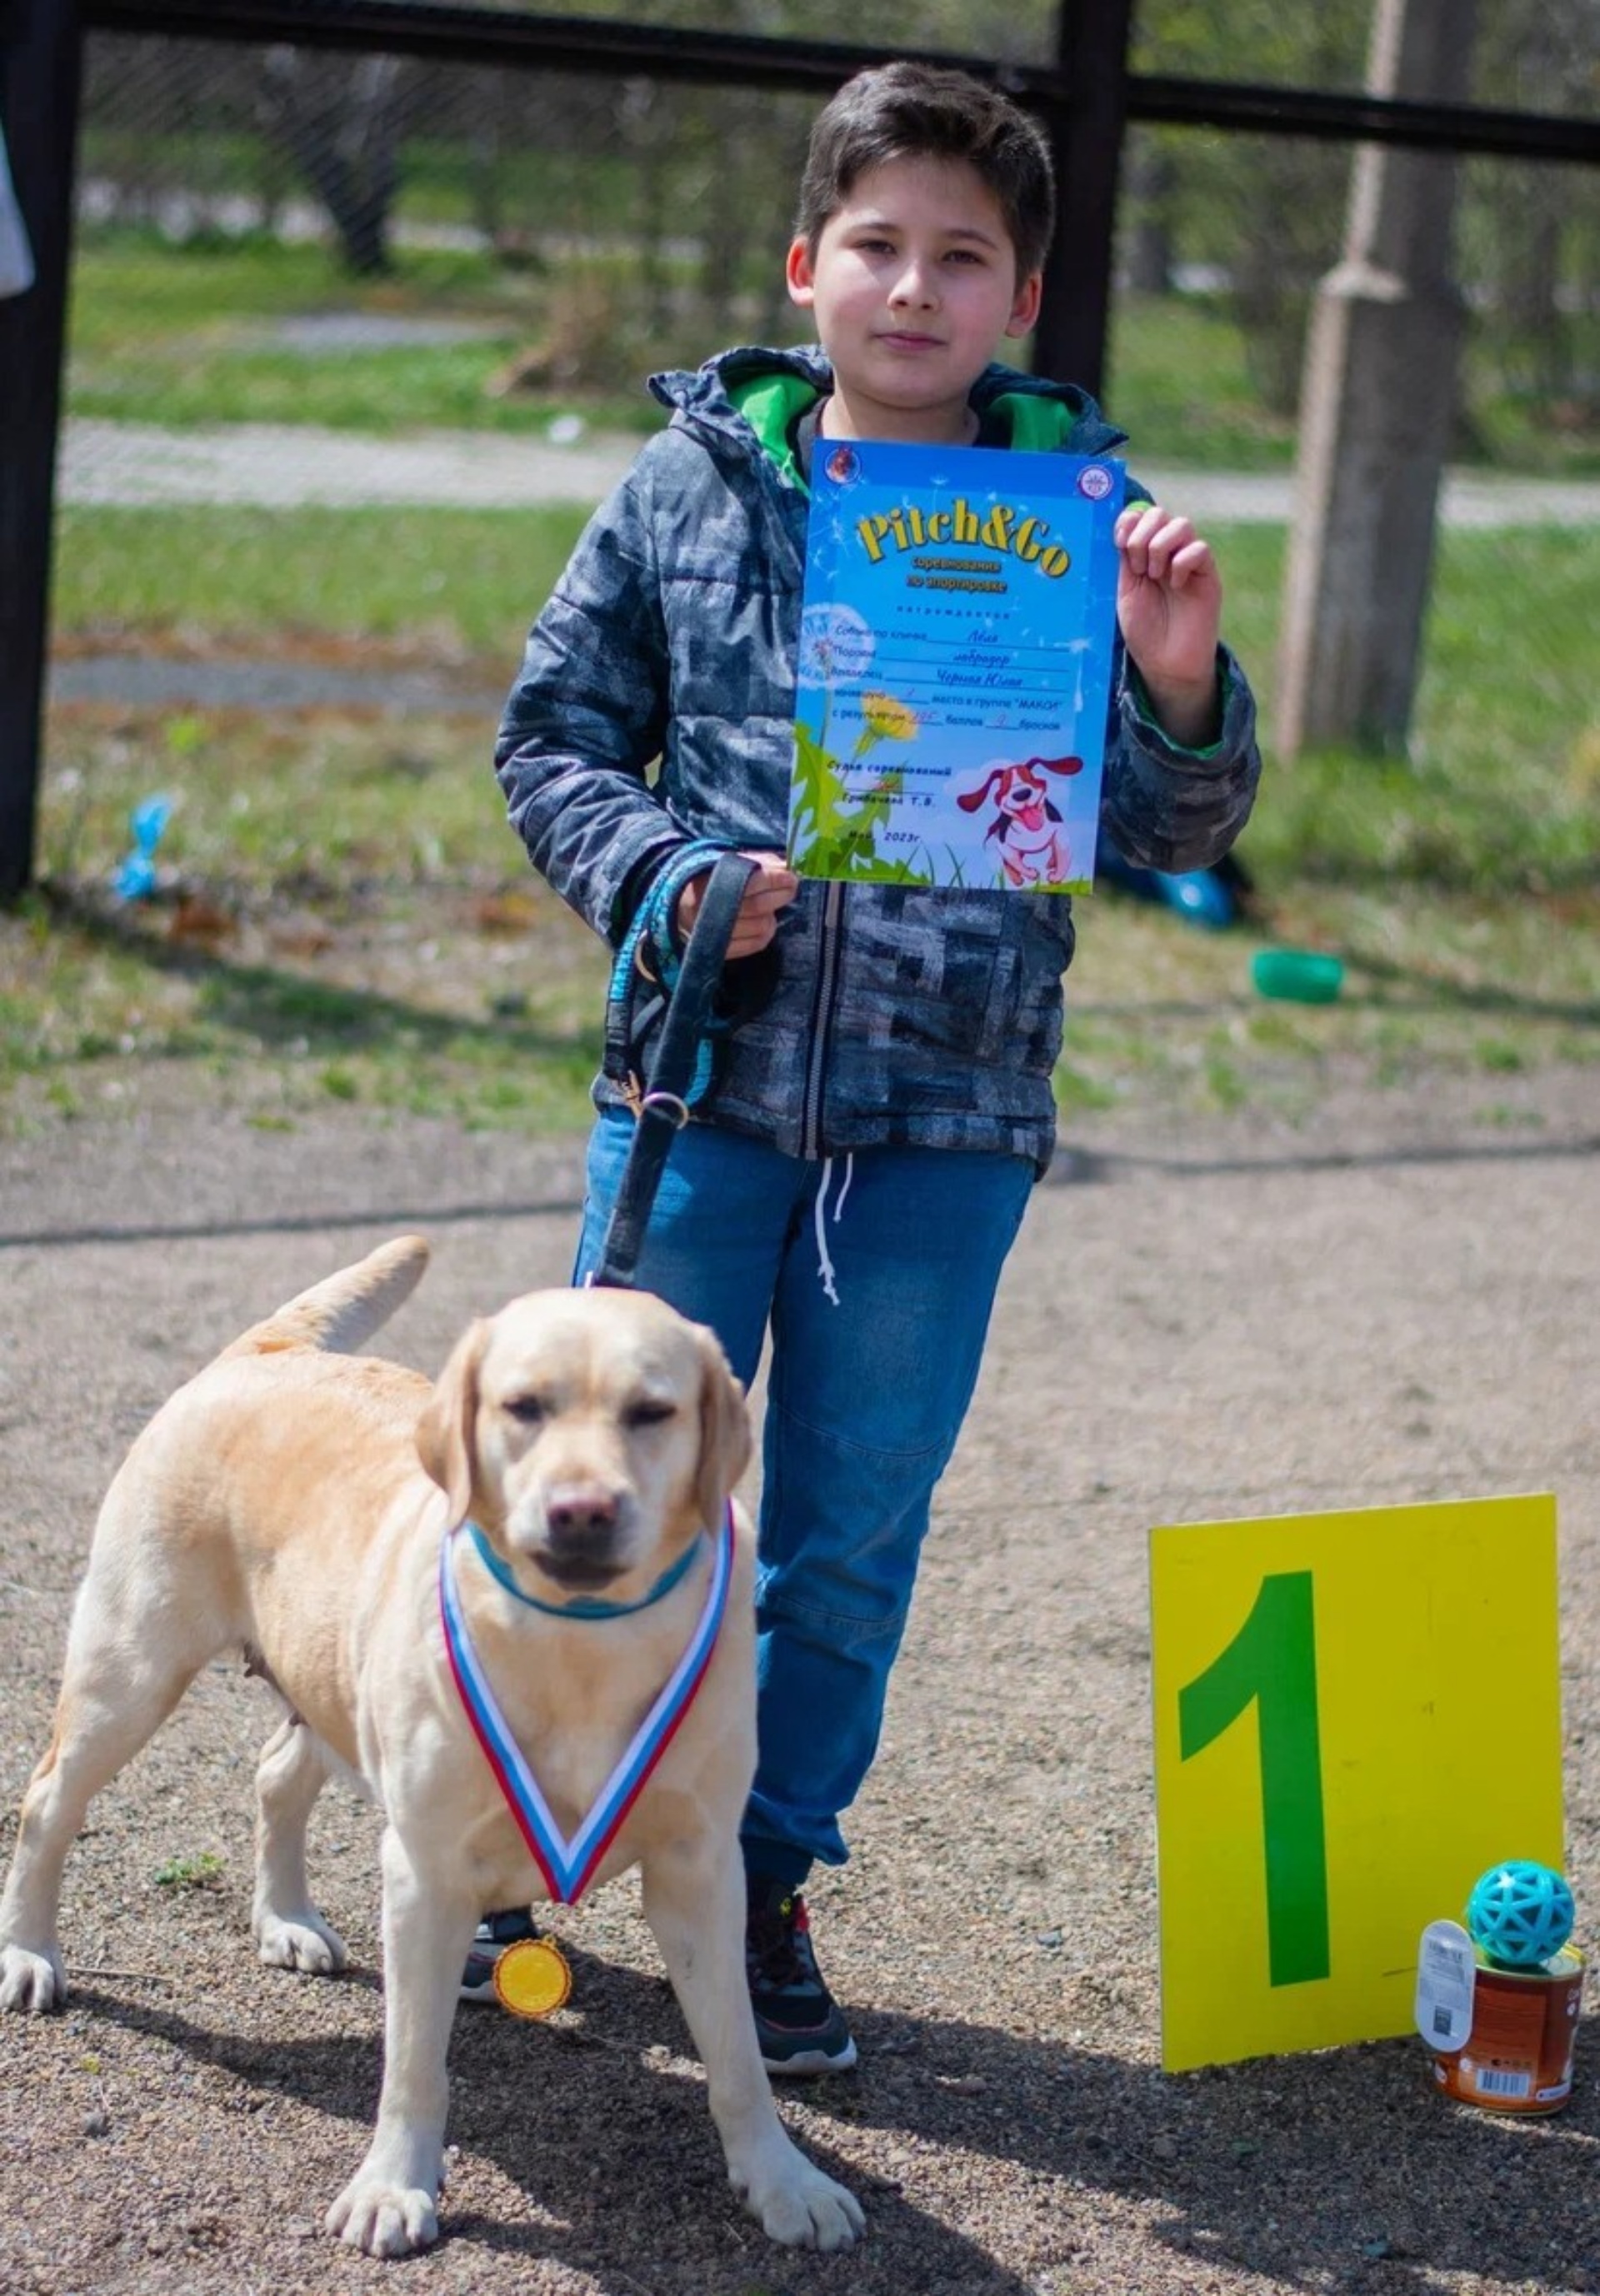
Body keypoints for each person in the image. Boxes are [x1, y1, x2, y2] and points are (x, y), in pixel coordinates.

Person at [480, 58, 1262, 2074]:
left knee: (843, 1523)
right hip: (696, 1097)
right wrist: (665, 877)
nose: (915, 290)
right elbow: (548, 736)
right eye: (880, 248)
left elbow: (1168, 835)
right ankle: (526, 1847)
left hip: (946, 1121)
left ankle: (755, 1875)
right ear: (806, 265)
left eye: (966, 258)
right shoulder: (690, 487)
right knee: (593, 1481)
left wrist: (1176, 682)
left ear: (1020, 304)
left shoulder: (1068, 523)